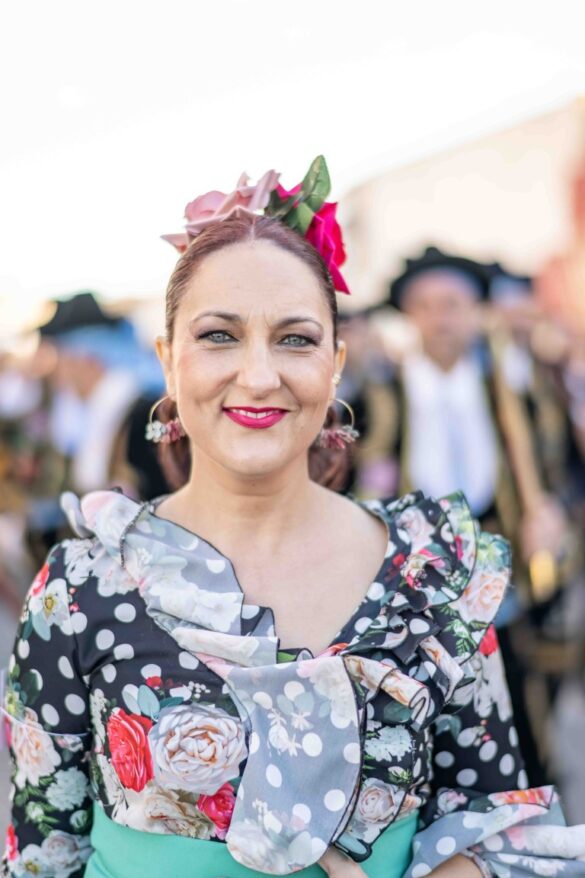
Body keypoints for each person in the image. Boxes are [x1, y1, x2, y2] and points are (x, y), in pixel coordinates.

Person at [2, 159, 584, 878]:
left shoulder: (432, 572)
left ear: (335, 363)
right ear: (168, 359)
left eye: (295, 339)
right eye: (219, 336)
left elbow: (491, 817)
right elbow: (40, 855)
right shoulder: (80, 588)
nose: (258, 375)